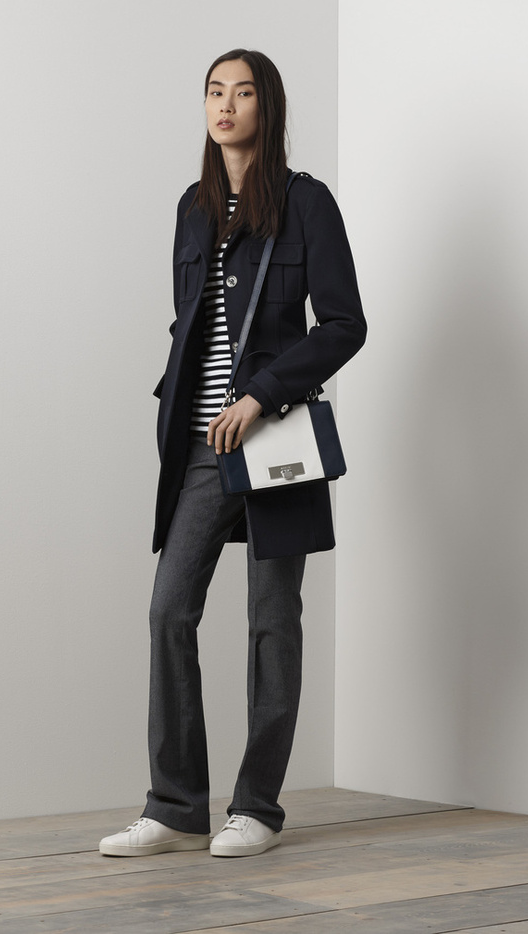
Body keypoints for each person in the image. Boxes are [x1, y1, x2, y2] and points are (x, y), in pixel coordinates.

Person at [100, 49, 366, 859]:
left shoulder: (306, 202)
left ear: (266, 108)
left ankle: (257, 807)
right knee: (168, 610)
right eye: (215, 91)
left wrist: (262, 394)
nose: (226, 105)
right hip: (201, 445)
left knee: (271, 622)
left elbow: (344, 324)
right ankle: (177, 805)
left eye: (243, 93)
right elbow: (192, 324)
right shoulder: (193, 208)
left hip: (274, 438)